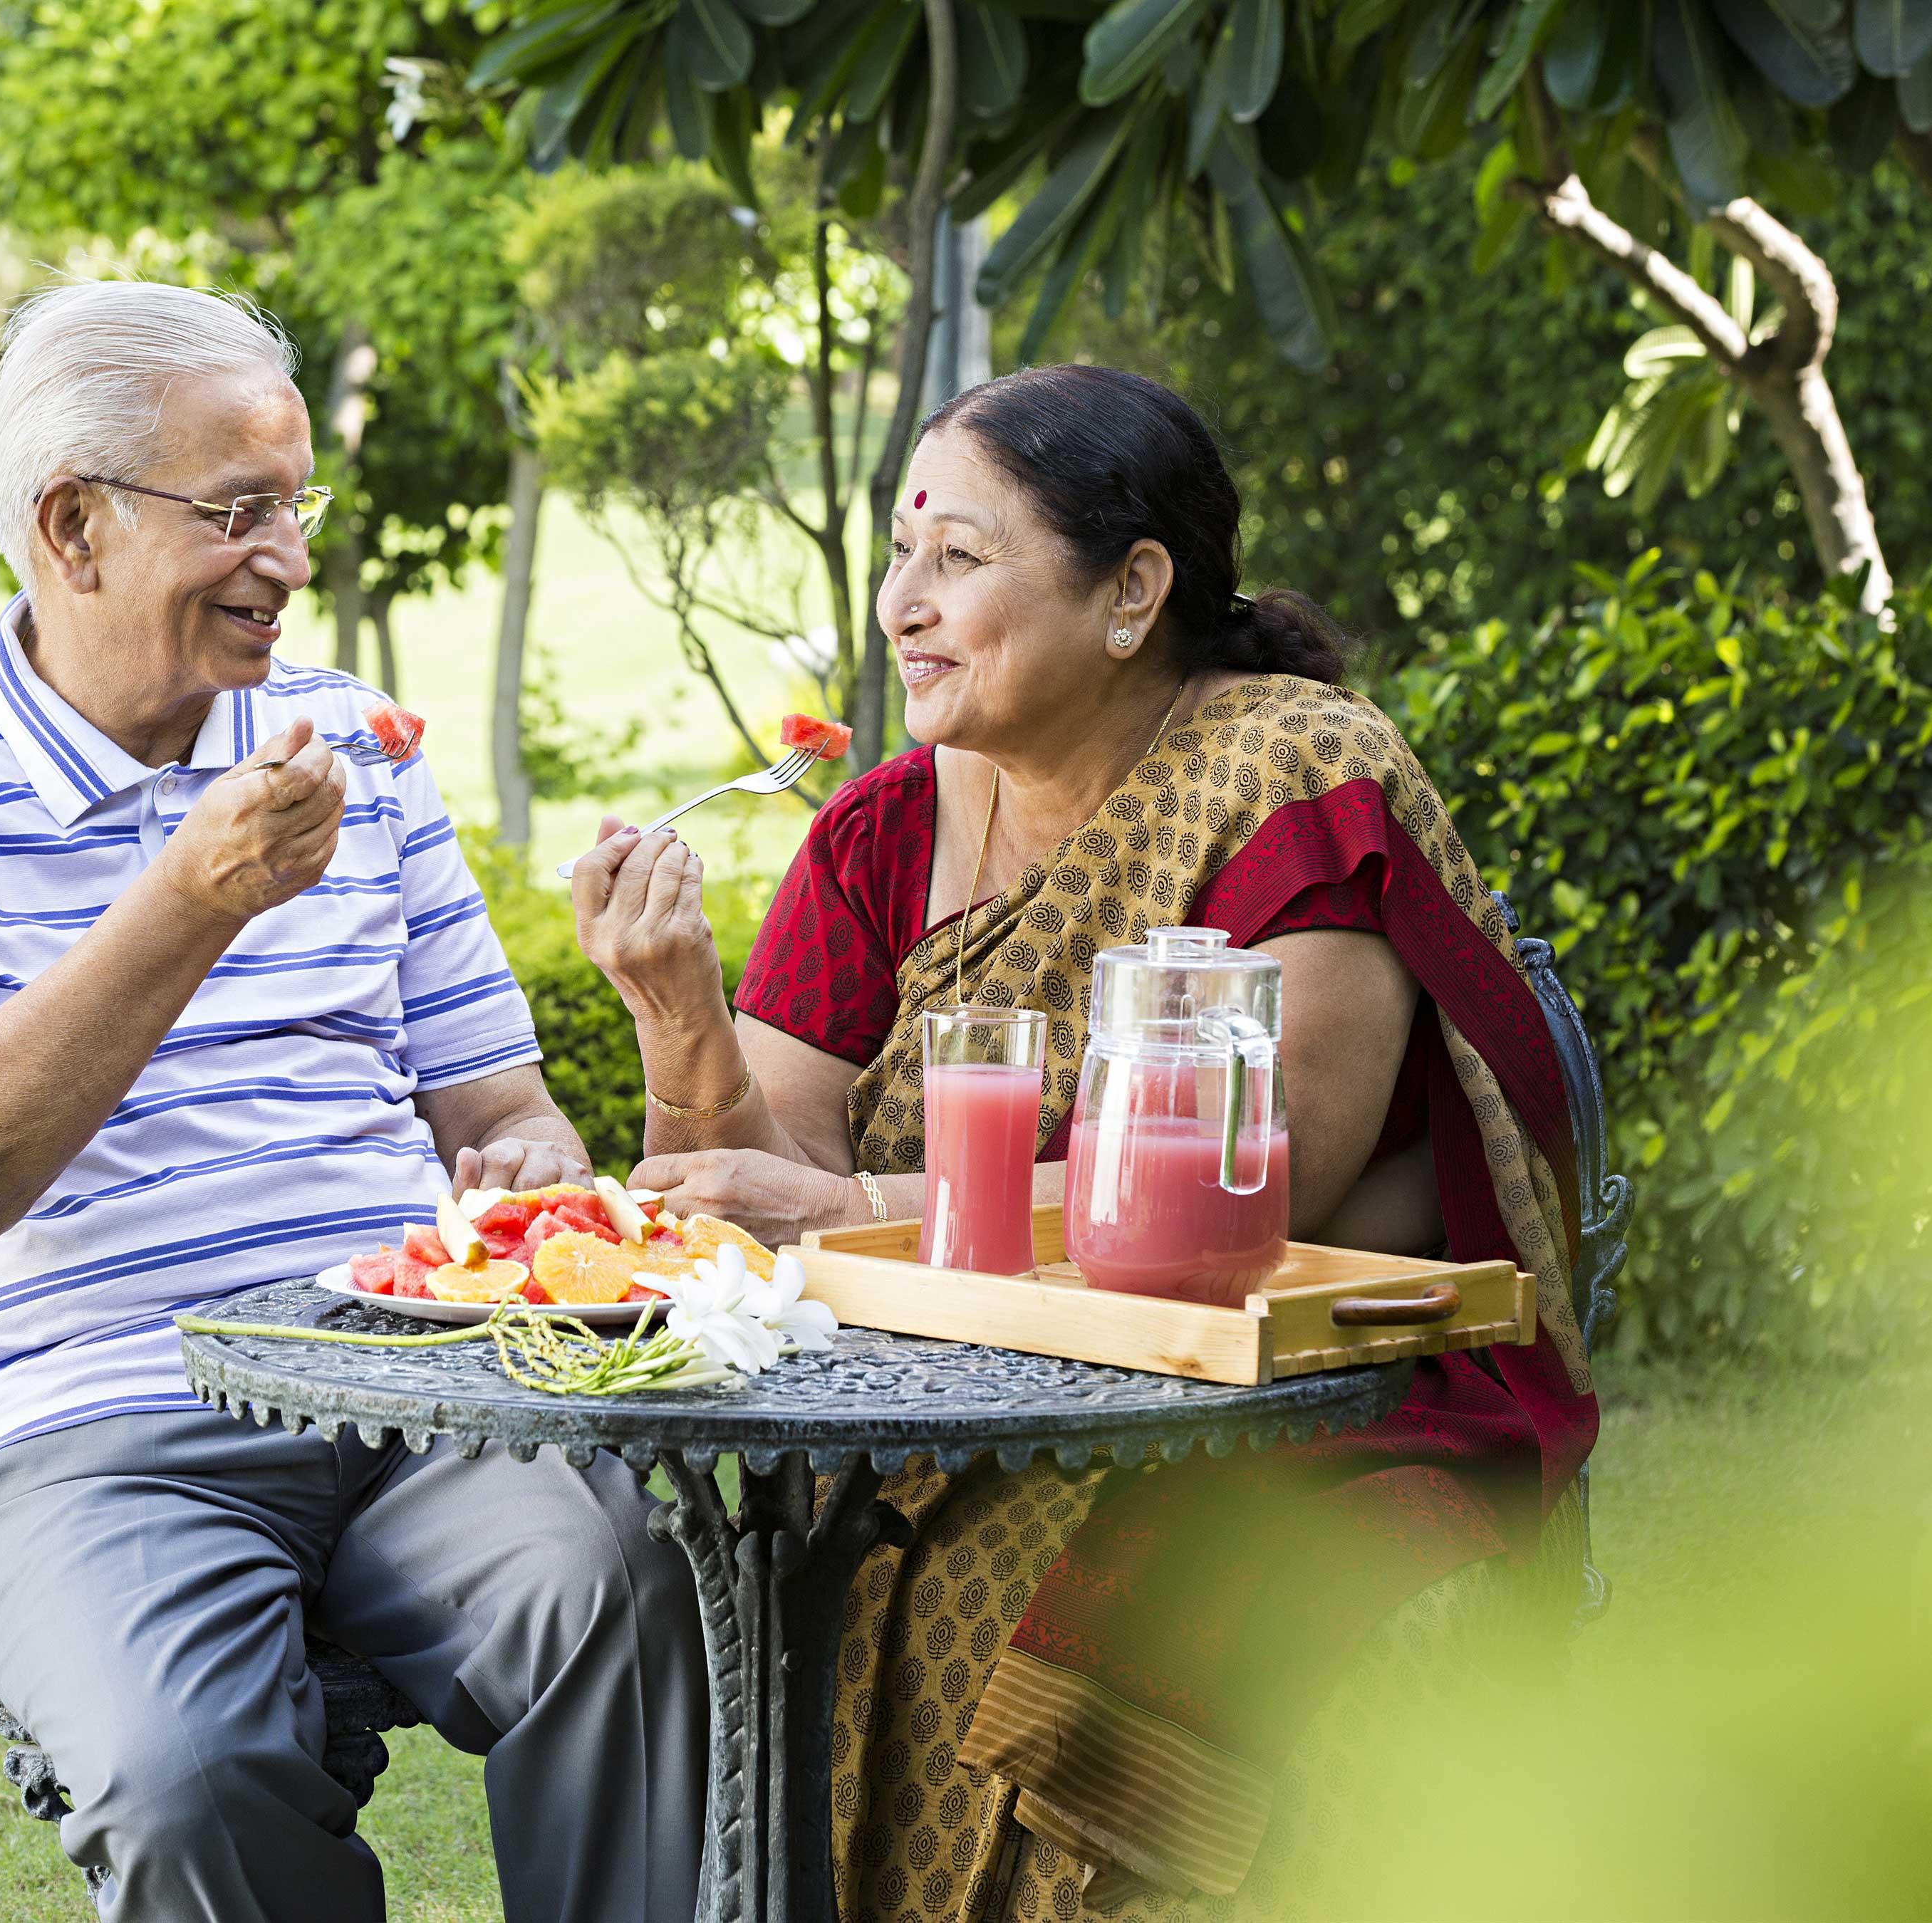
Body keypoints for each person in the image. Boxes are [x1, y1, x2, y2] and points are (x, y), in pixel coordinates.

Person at [569, 363, 1598, 1916]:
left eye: (958, 560)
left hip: (1269, 1393)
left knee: (1002, 1597)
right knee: (762, 1585)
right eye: (900, 555)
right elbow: (746, 1194)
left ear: (1132, 590)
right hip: (913, 1394)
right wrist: (679, 1020)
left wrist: (848, 1203)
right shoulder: (884, 830)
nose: (902, 604)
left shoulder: (1289, 775)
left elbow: (1252, 1194)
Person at [0, 280, 706, 1923]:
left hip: (417, 1390)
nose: (289, 557)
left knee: (640, 1583)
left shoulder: (360, 748)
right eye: (240, 512)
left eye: (297, 504)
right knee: (182, 1768)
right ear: (74, 527)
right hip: (87, 1425)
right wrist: (195, 895)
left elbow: (502, 1105)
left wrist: (522, 1179)